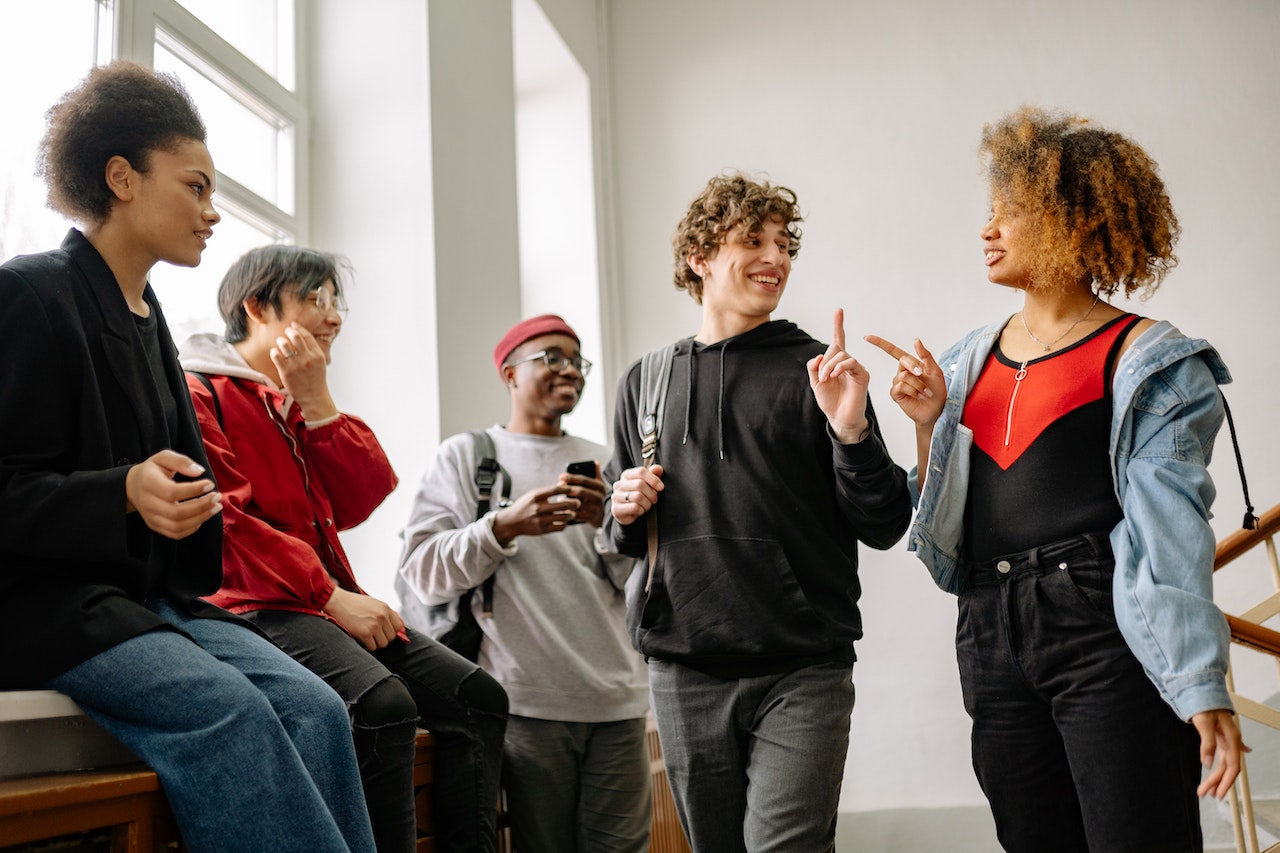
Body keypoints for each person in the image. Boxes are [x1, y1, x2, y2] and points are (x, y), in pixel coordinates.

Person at [0, 61, 375, 852]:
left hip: (147, 602)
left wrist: (167, 505)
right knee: (232, 710)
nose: (212, 212)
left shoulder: (153, 328)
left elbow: (193, 522)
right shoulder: (30, 294)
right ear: (121, 178)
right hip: (48, 602)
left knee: (318, 708)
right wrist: (123, 494)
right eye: (196, 186)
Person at [867, 106, 1247, 852]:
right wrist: (925, 422)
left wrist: (1201, 684)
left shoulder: (1150, 361)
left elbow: (1172, 533)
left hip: (1098, 625)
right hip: (987, 626)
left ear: (1074, 226)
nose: (987, 229)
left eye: (1010, 214)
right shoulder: (964, 360)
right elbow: (941, 516)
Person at [602, 173, 913, 852]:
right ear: (700, 256)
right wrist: (623, 506)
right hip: (684, 666)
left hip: (804, 666)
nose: (775, 257)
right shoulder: (646, 381)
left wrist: (852, 433)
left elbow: (886, 521)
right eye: (753, 239)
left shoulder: (818, 373)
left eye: (783, 243)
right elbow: (618, 534)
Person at [178, 245, 509, 853]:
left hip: (321, 600)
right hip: (254, 606)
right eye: (315, 299)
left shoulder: (289, 403)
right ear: (256, 307)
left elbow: (360, 498)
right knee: (383, 703)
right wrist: (330, 596)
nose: (334, 317)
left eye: (337, 302)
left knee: (477, 697)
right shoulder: (196, 390)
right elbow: (224, 521)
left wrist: (319, 401)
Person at [397, 314, 652, 853]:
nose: (570, 371)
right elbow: (421, 573)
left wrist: (602, 527)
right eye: (552, 357)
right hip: (527, 704)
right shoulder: (467, 458)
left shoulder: (608, 463)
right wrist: (503, 526)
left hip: (619, 702)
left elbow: (645, 584)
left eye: (577, 361)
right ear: (510, 373)